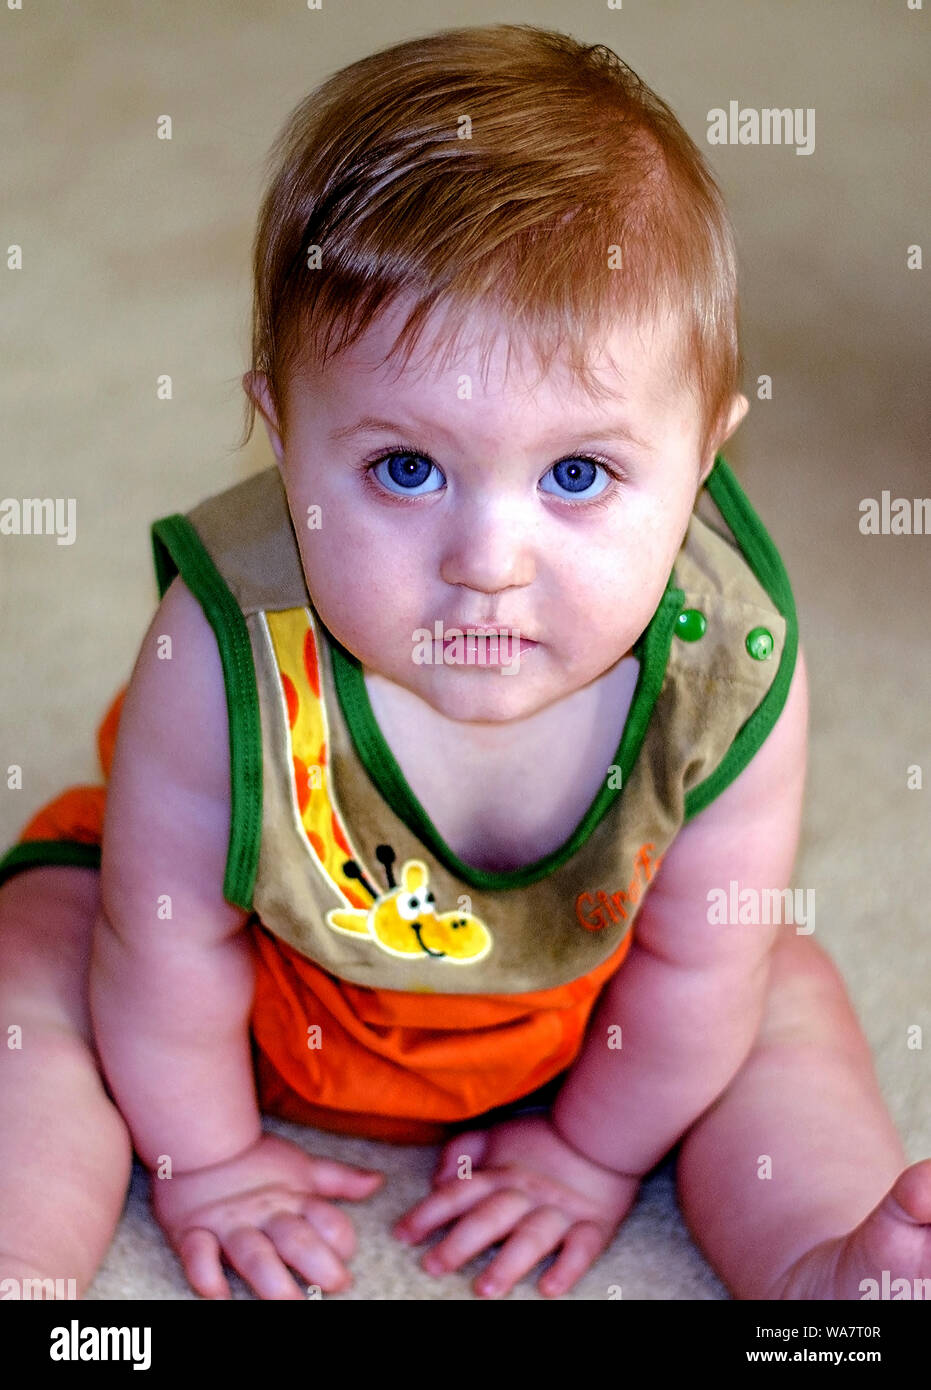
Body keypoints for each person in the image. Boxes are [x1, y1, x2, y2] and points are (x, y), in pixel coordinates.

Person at [1, 23, 928, 1302]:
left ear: (704, 453)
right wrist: (204, 1157)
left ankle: (825, 1272)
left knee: (778, 997)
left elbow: (694, 967)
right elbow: (164, 948)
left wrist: (593, 1156)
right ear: (281, 434)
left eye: (577, 473)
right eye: (405, 468)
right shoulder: (224, 657)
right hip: (272, 1002)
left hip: (587, 1032)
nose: (486, 558)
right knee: (40, 948)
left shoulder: (729, 673)